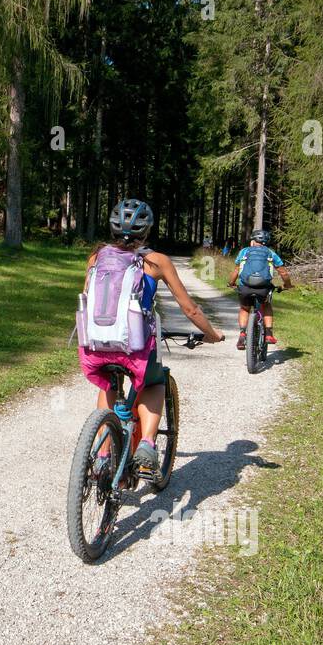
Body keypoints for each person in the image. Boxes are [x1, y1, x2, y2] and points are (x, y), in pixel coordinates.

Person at [78, 199, 224, 479]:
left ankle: (103, 455)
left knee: (109, 383)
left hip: (95, 346)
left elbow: (89, 298)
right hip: (135, 349)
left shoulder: (96, 257)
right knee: (155, 382)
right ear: (147, 230)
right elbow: (189, 308)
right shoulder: (155, 261)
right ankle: (146, 444)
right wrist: (211, 334)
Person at [228, 228, 293, 349]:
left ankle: (242, 334)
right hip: (263, 288)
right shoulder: (271, 253)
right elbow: (283, 272)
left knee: (244, 308)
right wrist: (287, 285)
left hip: (245, 287)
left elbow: (236, 270)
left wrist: (231, 283)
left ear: (253, 241)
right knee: (266, 305)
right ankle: (268, 334)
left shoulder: (244, 252)